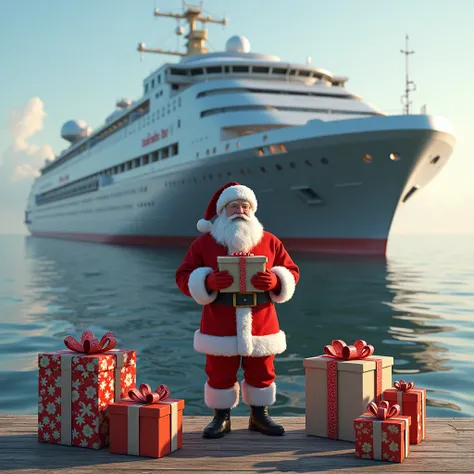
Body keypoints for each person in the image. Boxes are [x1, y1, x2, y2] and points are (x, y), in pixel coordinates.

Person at [175, 181, 300, 438]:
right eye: (233, 206)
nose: (240, 211)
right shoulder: (203, 243)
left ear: (253, 210)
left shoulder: (270, 241)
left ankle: (259, 415)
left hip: (261, 319)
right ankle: (221, 417)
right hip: (219, 320)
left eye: (245, 206)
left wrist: (276, 281)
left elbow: (292, 272)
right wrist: (207, 281)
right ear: (222, 211)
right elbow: (183, 276)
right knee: (219, 370)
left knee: (263, 368)